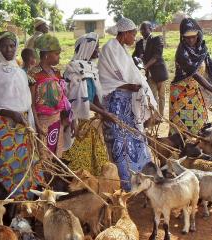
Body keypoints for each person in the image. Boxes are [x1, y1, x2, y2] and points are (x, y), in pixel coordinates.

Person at [0, 31, 44, 199]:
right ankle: (8, 202)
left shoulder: (20, 72)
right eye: (5, 45)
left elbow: (27, 102)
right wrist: (10, 113)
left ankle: (25, 201)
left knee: (25, 163)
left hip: (22, 126)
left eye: (12, 45)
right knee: (6, 164)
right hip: (4, 127)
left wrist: (30, 122)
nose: (9, 49)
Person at [98, 18, 157, 191]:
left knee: (137, 138)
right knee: (121, 143)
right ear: (124, 34)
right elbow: (107, 78)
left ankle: (140, 180)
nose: (135, 37)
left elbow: (131, 75)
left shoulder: (122, 50)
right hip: (115, 103)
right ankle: (126, 184)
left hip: (128, 102)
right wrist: (126, 86)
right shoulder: (110, 48)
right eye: (133, 33)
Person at [62, 32, 117, 174]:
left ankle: (92, 189)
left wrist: (103, 111)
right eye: (96, 47)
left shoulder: (90, 69)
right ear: (87, 48)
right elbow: (80, 101)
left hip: (88, 121)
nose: (98, 50)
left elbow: (94, 97)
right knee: (77, 162)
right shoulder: (74, 70)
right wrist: (103, 113)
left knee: (96, 158)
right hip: (75, 122)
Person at [170, 18, 212, 135]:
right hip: (181, 94)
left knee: (201, 123)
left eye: (194, 36)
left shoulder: (201, 48)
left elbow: (209, 61)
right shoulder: (182, 53)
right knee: (183, 129)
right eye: (187, 37)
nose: (191, 40)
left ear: (198, 34)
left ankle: (197, 150)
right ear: (182, 37)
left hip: (195, 91)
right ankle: (180, 151)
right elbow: (195, 75)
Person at [28, 34, 72, 162]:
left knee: (55, 156)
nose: (59, 57)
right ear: (47, 55)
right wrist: (37, 125)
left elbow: (63, 98)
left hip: (57, 121)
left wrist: (66, 119)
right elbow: (31, 104)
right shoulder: (33, 75)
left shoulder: (57, 73)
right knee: (43, 158)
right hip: (41, 124)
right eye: (57, 54)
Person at [133, 21, 168, 116]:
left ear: (151, 29)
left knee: (161, 96)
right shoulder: (139, 43)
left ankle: (161, 116)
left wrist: (145, 66)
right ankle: (155, 116)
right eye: (141, 29)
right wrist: (138, 58)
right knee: (152, 96)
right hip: (149, 74)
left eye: (145, 29)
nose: (142, 31)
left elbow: (156, 56)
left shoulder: (157, 39)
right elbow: (134, 56)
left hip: (159, 73)